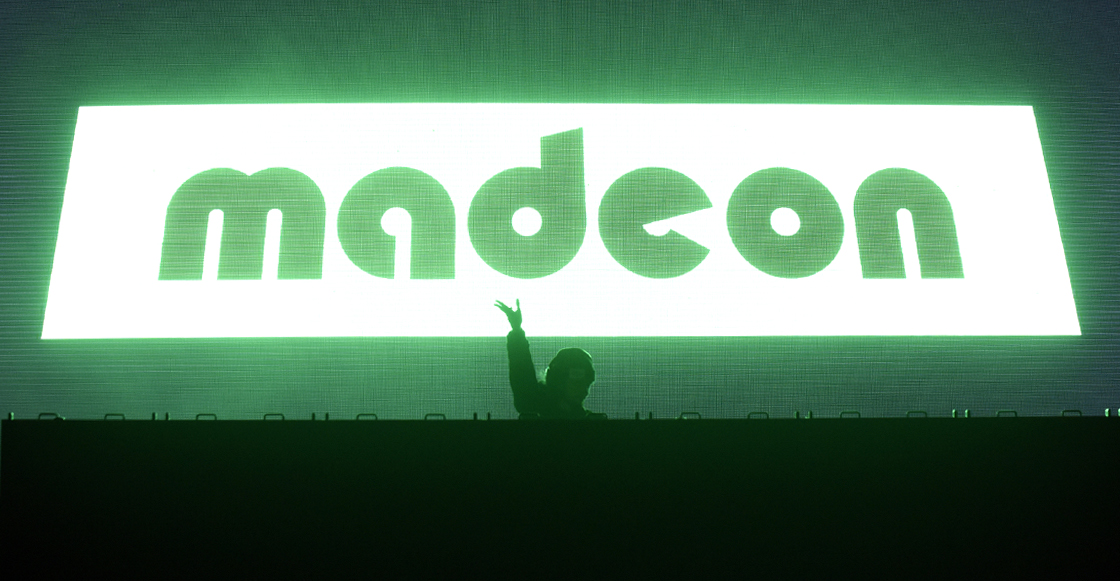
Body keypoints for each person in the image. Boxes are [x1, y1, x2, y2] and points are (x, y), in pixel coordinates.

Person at [495, 299, 604, 419]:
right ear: (559, 381)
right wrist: (517, 331)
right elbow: (522, 374)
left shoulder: (588, 422)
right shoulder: (532, 404)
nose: (584, 391)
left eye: (586, 385)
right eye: (577, 384)